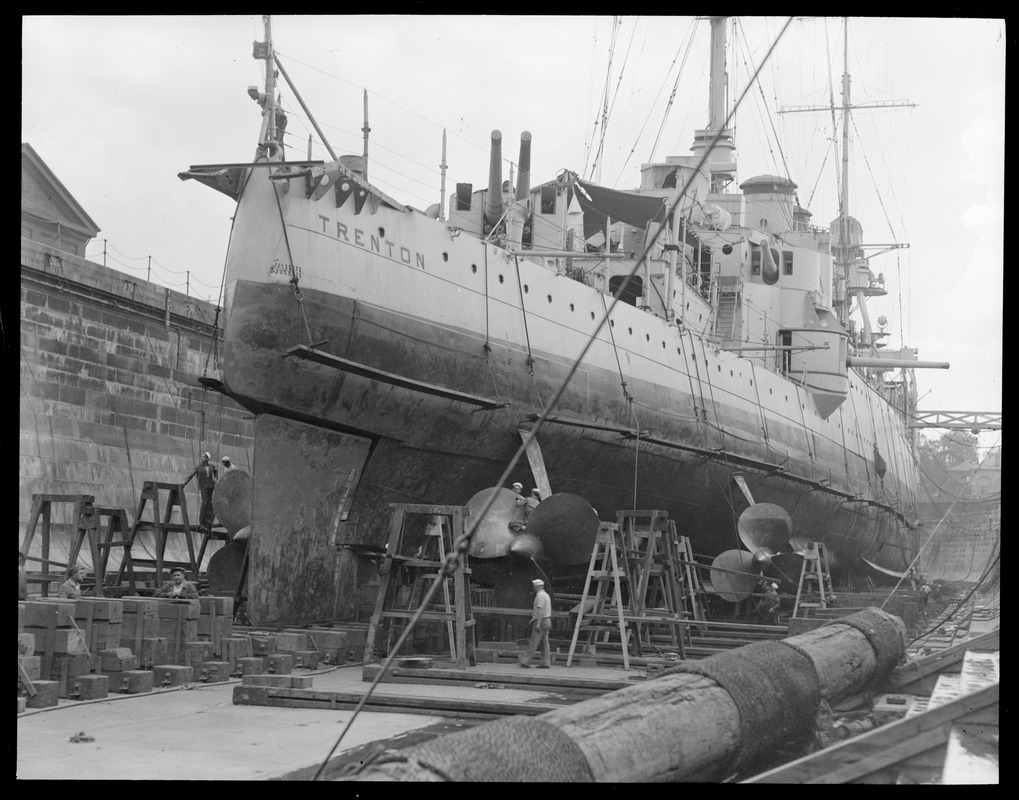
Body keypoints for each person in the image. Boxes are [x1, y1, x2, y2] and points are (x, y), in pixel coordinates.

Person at [518, 578, 552, 668]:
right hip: (547, 620)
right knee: (544, 643)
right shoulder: (546, 595)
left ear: (536, 587)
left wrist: (538, 622)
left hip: (541, 621)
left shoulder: (540, 596)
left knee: (533, 642)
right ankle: (546, 662)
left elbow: (540, 610)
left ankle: (525, 661)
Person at [183, 452, 218, 531]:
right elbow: (191, 475)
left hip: (211, 487)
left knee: (210, 504)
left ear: (207, 459)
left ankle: (208, 522)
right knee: (205, 503)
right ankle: (202, 523)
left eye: (203, 457)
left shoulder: (212, 467)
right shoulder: (198, 467)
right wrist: (185, 483)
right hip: (204, 487)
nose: (201, 458)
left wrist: (216, 479)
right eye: (201, 457)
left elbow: (216, 475)